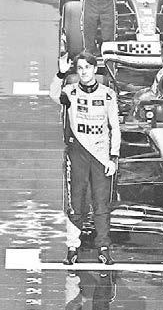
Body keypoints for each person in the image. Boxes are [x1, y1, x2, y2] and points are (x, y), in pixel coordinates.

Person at [50, 52, 120, 266]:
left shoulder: (108, 95)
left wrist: (113, 157)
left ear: (95, 69)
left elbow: (115, 127)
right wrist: (60, 73)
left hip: (101, 157)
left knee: (101, 204)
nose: (83, 72)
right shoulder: (70, 92)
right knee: (76, 203)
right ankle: (72, 247)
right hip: (77, 154)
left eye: (87, 68)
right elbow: (53, 95)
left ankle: (104, 248)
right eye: (80, 68)